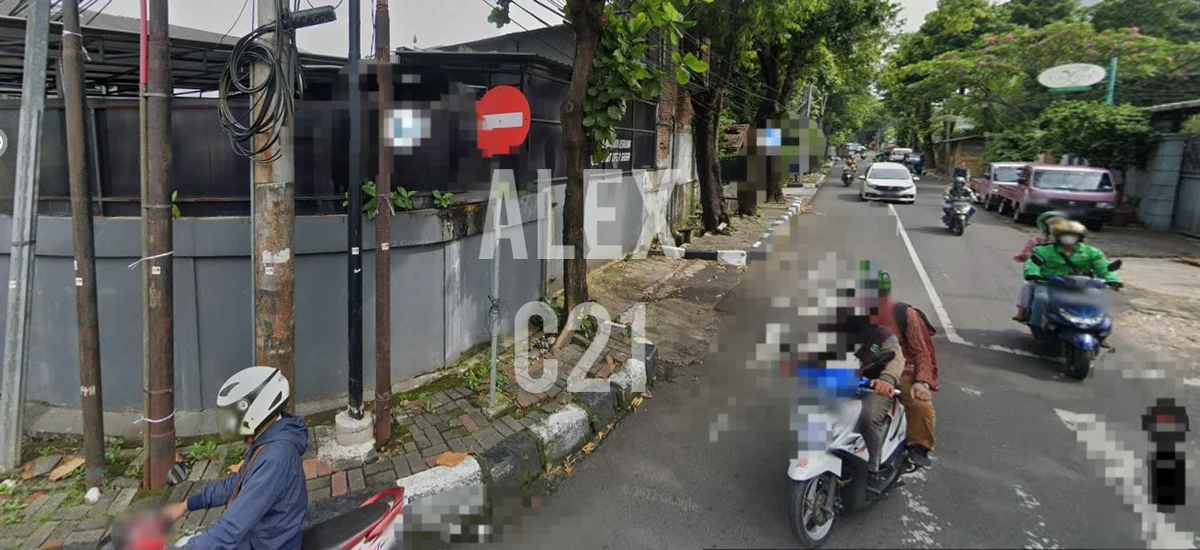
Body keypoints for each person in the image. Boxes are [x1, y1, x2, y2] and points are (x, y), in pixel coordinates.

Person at [163, 367, 309, 550]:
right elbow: (238, 482)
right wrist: (187, 505)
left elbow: (231, 530)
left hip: (270, 544)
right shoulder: (269, 437)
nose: (230, 422)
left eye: (233, 415)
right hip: (262, 536)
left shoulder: (275, 457)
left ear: (255, 410)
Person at [871, 269, 938, 468]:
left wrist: (921, 382)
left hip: (903, 371)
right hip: (865, 370)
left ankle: (919, 445)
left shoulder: (905, 314)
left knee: (919, 403)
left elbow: (922, 352)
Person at [1023, 220, 1124, 328]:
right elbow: (1032, 263)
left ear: (1080, 237)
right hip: (1049, 283)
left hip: (1082, 285)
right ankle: (1036, 326)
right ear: (1057, 236)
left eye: (1073, 235)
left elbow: (1103, 267)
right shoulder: (1043, 250)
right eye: (1064, 235)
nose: (1068, 238)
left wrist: (1113, 280)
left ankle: (1096, 327)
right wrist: (1033, 273)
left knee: (1097, 299)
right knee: (1041, 298)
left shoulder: (1092, 252)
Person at [1012, 210, 1069, 322]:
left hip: (1067, 277)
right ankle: (1022, 312)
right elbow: (1027, 255)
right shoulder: (1036, 241)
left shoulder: (1072, 243)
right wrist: (1031, 257)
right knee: (1027, 286)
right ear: (1046, 227)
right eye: (1052, 224)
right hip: (1042, 276)